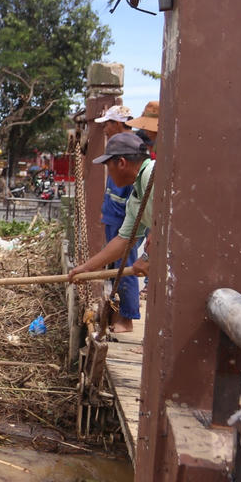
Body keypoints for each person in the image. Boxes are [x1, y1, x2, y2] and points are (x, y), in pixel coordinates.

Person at [68, 132, 154, 286]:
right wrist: (87, 268)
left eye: (108, 166)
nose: (108, 173)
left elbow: (171, 225)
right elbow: (124, 240)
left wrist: (148, 257)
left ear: (121, 163)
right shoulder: (136, 196)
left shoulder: (151, 175)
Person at [93, 105, 141, 333]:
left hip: (125, 220)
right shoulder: (121, 152)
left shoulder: (131, 154)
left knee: (126, 265)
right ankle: (119, 312)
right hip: (117, 218)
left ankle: (128, 317)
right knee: (118, 265)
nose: (105, 129)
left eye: (108, 123)